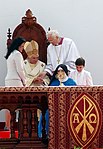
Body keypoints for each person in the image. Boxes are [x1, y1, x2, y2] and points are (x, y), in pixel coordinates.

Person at [38, 64, 77, 138]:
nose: (60, 73)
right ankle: (46, 135)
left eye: (62, 71)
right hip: (54, 108)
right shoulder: (54, 83)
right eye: (58, 71)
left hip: (68, 108)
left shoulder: (72, 83)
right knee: (45, 113)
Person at [4, 37, 26, 130]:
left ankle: (7, 125)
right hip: (16, 80)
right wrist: (24, 81)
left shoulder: (10, 54)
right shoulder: (17, 54)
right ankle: (19, 127)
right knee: (19, 104)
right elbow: (20, 70)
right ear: (18, 45)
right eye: (21, 46)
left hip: (8, 80)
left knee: (8, 104)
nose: (22, 48)